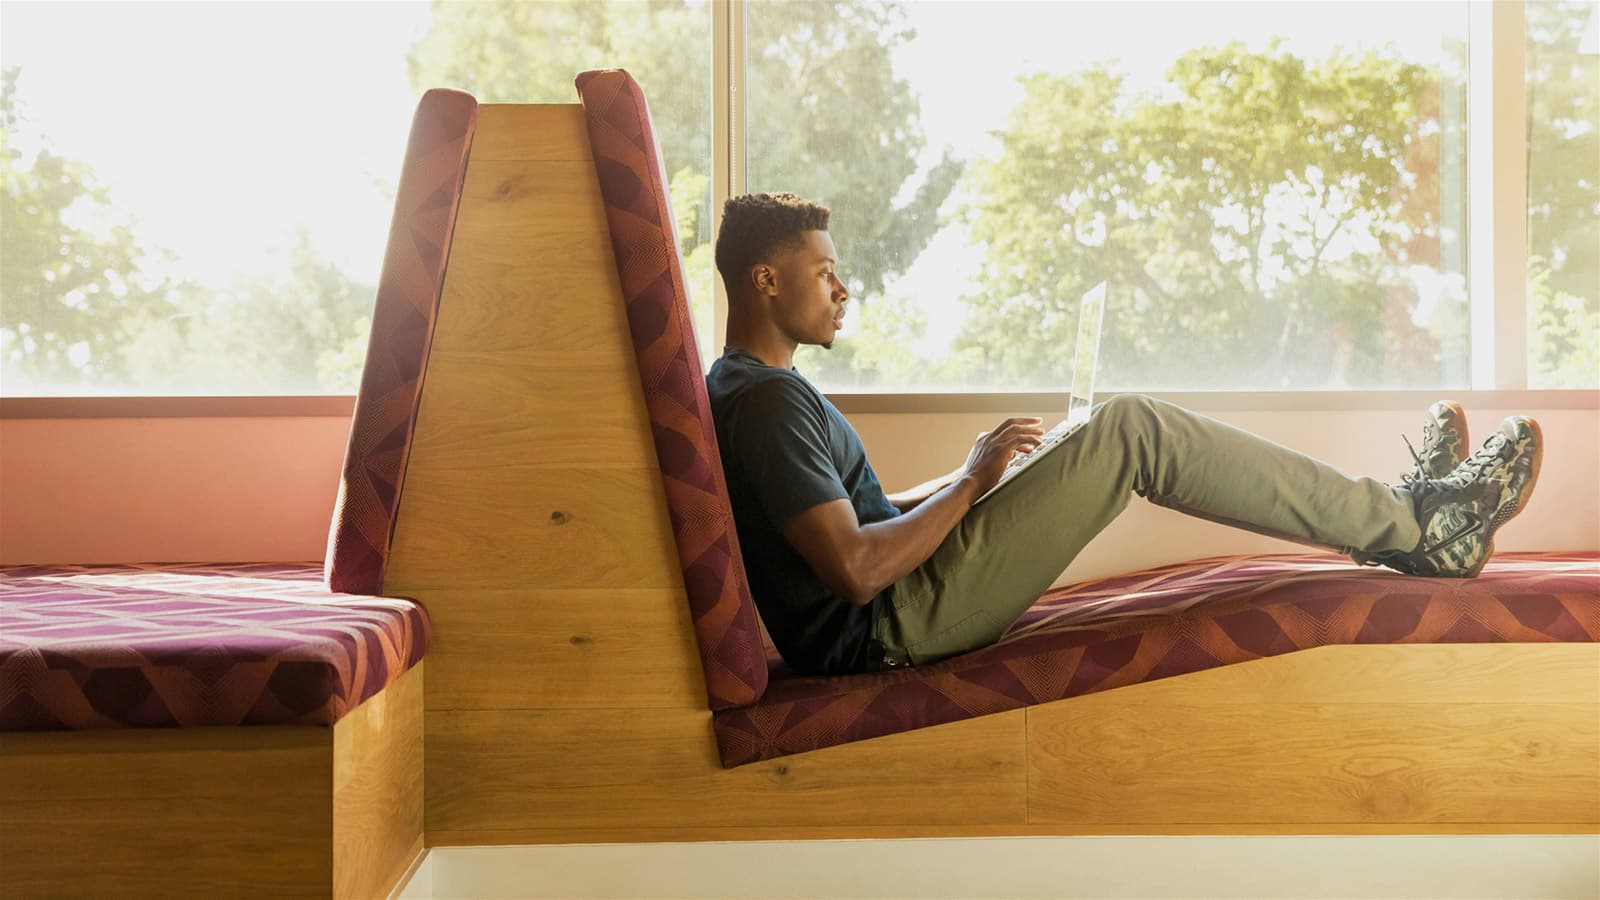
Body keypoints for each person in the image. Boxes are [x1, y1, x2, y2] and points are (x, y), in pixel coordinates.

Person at [704, 192, 1543, 677]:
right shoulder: (770, 403)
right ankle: (1412, 527)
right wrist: (967, 485)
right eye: (825, 273)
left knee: (1111, 430)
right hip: (889, 630)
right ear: (766, 279)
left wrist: (977, 472)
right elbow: (854, 571)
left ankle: (1399, 521)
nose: (844, 290)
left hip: (899, 605)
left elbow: (867, 519)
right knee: (1135, 428)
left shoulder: (754, 391)